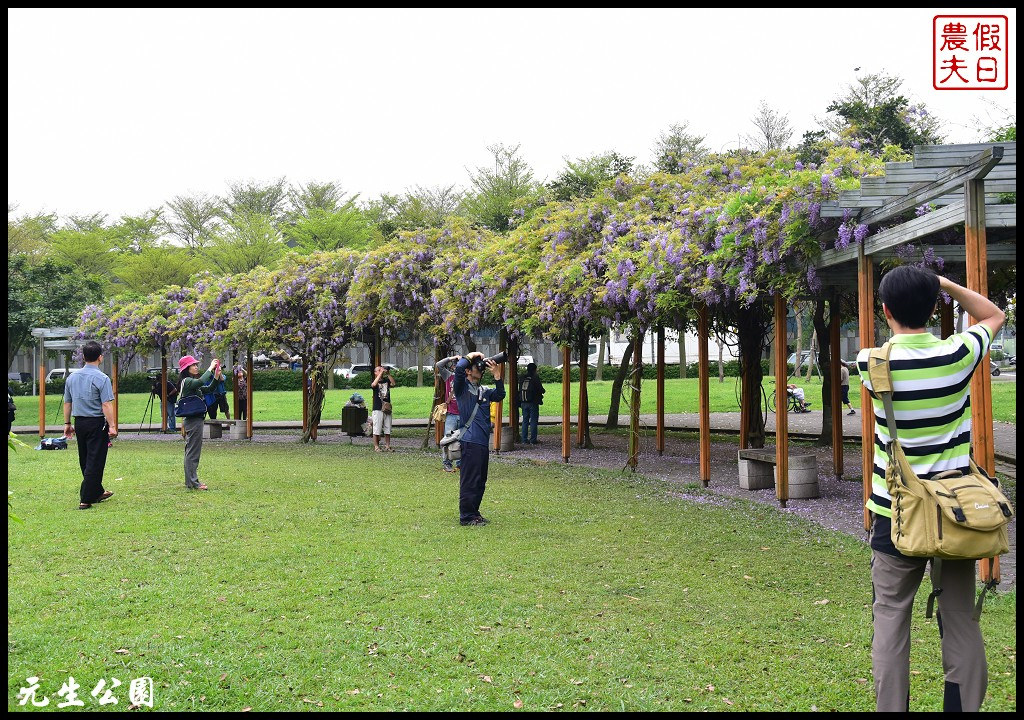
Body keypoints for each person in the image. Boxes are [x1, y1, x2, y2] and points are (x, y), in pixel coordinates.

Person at [856, 267, 1005, 712]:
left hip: (894, 513)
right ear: (934, 305)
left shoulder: (871, 363)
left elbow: (884, 355)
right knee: (960, 619)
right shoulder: (958, 356)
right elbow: (994, 315)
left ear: (884, 311)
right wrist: (946, 285)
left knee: (890, 618)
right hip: (955, 514)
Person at [62, 341, 117, 510]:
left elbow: (67, 403)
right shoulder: (102, 378)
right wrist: (112, 425)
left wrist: (67, 423)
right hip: (96, 423)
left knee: (85, 458)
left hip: (80, 422)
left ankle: (97, 491)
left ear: (84, 357)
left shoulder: (72, 378)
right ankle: (85, 499)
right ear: (100, 357)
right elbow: (106, 404)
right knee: (96, 460)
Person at [452, 351, 505, 526]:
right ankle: (466, 516)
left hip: (482, 441)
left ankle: (474, 512)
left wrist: (497, 376)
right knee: (470, 480)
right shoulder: (461, 388)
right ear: (468, 371)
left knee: (480, 480)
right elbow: (459, 370)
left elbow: (500, 395)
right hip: (470, 440)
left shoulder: (483, 391)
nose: (480, 369)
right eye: (477, 367)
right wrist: (471, 355)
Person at [178, 355, 218, 491]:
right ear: (186, 369)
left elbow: (208, 389)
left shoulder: (192, 383)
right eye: (193, 365)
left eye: (196, 365)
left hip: (195, 420)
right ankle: (193, 482)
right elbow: (202, 381)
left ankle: (190, 481)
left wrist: (216, 377)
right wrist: (211, 368)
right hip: (193, 421)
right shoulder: (188, 381)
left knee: (191, 450)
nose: (196, 367)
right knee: (193, 452)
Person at [435, 354, 463, 472]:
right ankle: (447, 463)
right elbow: (439, 365)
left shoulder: (467, 377)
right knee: (447, 439)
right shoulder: (449, 376)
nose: (457, 368)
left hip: (463, 414)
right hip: (451, 413)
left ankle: (460, 463)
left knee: (463, 440)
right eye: (456, 366)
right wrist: (452, 358)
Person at [518, 362, 545, 444]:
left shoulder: (522, 378)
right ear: (535, 369)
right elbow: (540, 389)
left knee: (525, 421)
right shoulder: (535, 378)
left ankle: (524, 439)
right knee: (533, 421)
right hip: (533, 402)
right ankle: (533, 440)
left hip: (523, 402)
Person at [370, 365, 395, 452]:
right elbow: (373, 385)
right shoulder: (375, 381)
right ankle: (376, 446)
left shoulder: (386, 381)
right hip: (377, 408)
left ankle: (387, 446)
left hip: (387, 407)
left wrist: (388, 374)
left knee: (388, 427)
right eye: (379, 370)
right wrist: (380, 373)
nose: (382, 370)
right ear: (375, 373)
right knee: (377, 428)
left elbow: (393, 383)